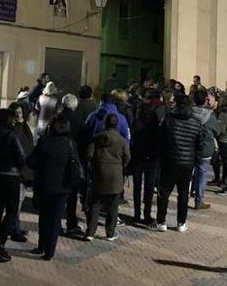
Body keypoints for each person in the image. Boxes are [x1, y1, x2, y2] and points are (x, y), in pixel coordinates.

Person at [27, 116, 80, 258]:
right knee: (55, 219)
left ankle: (41, 245)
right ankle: (49, 251)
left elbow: (32, 161)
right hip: (62, 187)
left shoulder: (44, 142)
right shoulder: (70, 144)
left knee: (44, 217)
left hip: (44, 185)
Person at [150, 92, 203, 232]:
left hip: (170, 161)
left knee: (165, 192)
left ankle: (161, 221)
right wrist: (195, 161)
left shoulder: (169, 119)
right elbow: (199, 146)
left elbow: (160, 141)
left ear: (177, 103)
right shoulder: (196, 122)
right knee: (183, 193)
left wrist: (161, 157)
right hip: (187, 163)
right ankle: (181, 222)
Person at [0, 108, 26, 263]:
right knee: (11, 211)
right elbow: (21, 158)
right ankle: (0, 244)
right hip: (11, 176)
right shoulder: (11, 135)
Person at [85, 113, 130, 241]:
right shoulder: (121, 140)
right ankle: (110, 233)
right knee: (113, 206)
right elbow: (127, 157)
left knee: (95, 204)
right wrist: (121, 166)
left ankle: (90, 232)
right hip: (115, 174)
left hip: (99, 172)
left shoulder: (97, 138)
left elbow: (89, 154)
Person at [131, 90, 163, 223]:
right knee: (149, 188)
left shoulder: (135, 122)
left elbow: (131, 139)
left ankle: (136, 213)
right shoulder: (154, 123)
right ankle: (147, 214)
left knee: (137, 187)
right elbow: (158, 140)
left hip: (138, 157)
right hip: (152, 158)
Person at [58, 93, 85, 234]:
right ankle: (71, 223)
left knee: (58, 195)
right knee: (72, 195)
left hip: (57, 161)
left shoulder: (56, 118)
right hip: (73, 160)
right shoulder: (78, 120)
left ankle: (56, 223)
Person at [10, 101, 34, 242]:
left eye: (21, 113)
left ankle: (15, 226)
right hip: (17, 171)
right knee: (16, 202)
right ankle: (14, 229)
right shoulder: (15, 130)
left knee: (20, 200)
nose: (20, 115)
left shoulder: (24, 127)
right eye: (17, 113)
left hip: (25, 170)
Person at [190, 89, 219, 210]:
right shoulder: (209, 115)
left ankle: (191, 191)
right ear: (205, 100)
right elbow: (217, 131)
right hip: (205, 147)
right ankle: (199, 200)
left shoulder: (189, 112)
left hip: (191, 146)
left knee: (191, 172)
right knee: (202, 173)